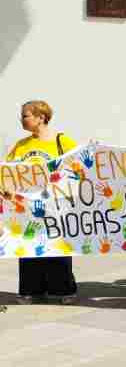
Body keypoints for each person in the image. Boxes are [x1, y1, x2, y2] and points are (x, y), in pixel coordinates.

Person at [7, 101, 78, 304]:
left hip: (56, 205)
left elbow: (79, 165)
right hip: (27, 206)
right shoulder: (21, 145)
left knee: (57, 246)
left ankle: (63, 290)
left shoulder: (62, 141)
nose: (22, 119)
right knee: (29, 245)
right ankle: (31, 290)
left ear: (41, 117)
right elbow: (8, 169)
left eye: (25, 115)